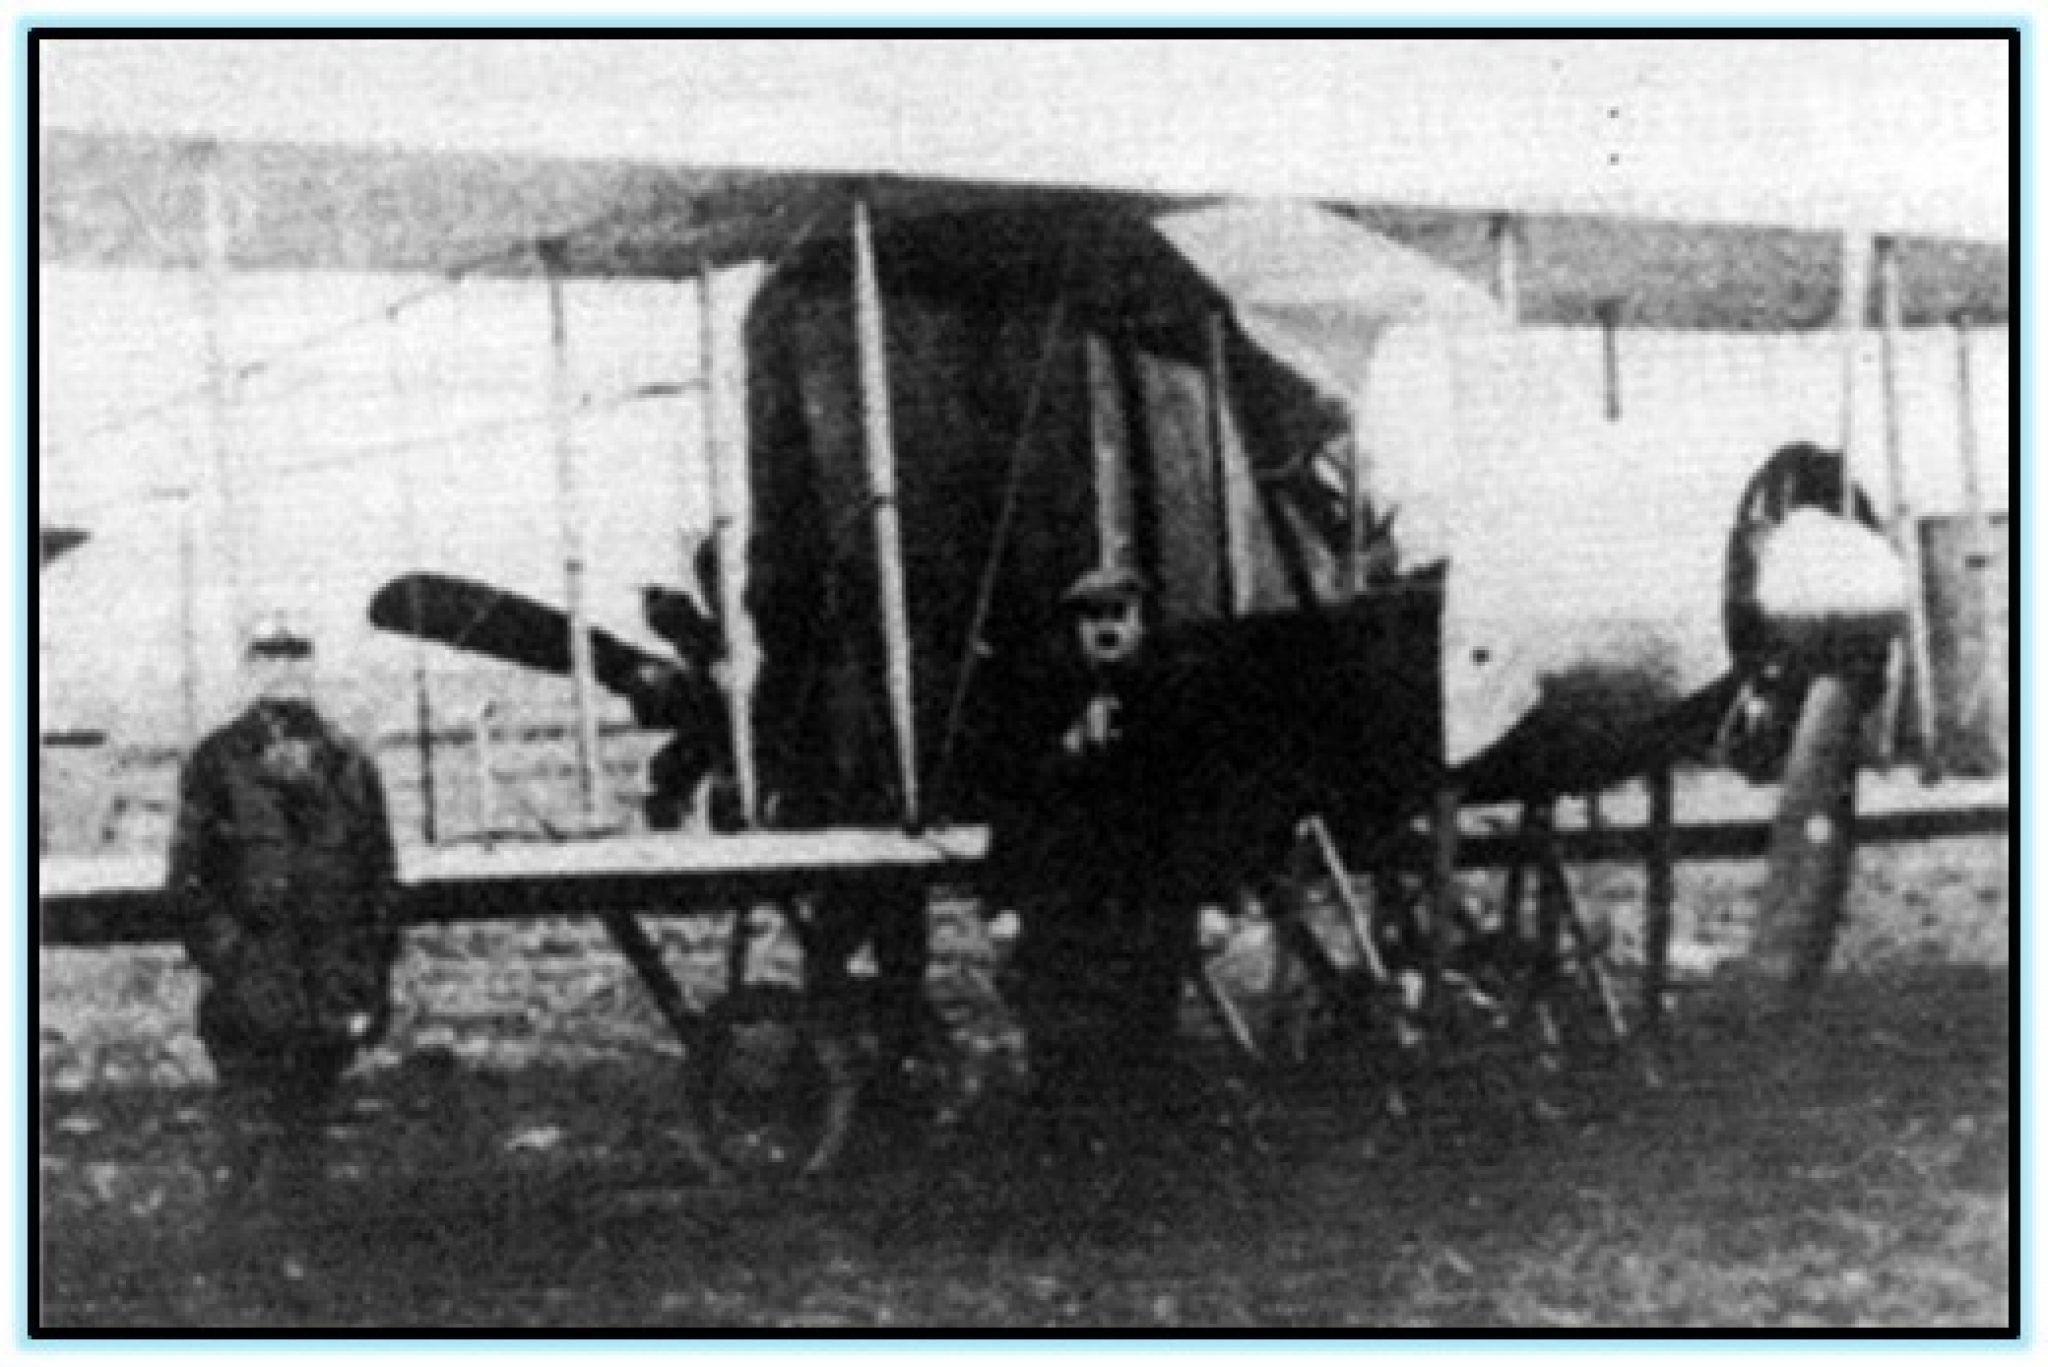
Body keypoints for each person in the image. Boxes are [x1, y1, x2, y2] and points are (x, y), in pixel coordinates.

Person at [166, 615, 400, 1203]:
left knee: (307, 1136)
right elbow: (189, 881)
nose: (285, 668)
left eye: (296, 654)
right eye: (270, 655)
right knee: (244, 1136)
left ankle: (299, 1240)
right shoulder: (218, 761)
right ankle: (233, 1239)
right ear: (250, 668)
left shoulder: (348, 761)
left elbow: (378, 878)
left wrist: (367, 979)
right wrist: (235, 960)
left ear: (312, 665)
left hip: (328, 985)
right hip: (251, 985)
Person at [996, 566, 1195, 1110]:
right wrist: (1004, 901)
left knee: (1146, 1038)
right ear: (1075, 630)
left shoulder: (1172, 699)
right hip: (1065, 902)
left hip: (1144, 899)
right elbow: (1014, 805)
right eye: (1093, 618)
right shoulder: (1040, 701)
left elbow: (1196, 807)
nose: (1107, 628)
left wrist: (1213, 899)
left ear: (1139, 624)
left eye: (1118, 616)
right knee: (1061, 1039)